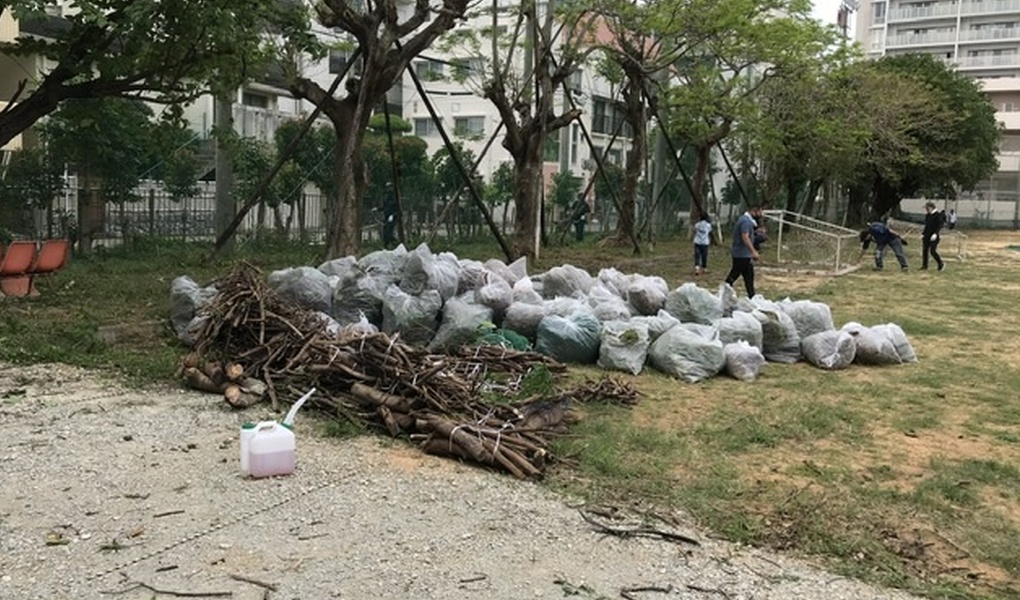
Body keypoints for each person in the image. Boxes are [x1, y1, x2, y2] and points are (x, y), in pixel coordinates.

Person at [725, 205, 763, 298]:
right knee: (734, 275)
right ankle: (724, 292)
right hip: (741, 254)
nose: (761, 214)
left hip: (745, 254)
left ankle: (752, 297)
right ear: (754, 211)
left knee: (749, 276)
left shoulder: (746, 221)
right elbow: (745, 237)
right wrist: (753, 251)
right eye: (760, 212)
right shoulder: (745, 221)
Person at [921, 201, 945, 271]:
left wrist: (935, 233)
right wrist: (923, 233)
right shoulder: (928, 216)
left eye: (927, 208)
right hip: (927, 236)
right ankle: (924, 266)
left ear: (931, 208)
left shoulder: (938, 215)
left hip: (934, 236)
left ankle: (940, 263)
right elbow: (927, 226)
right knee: (925, 250)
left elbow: (939, 226)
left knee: (932, 251)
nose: (926, 210)